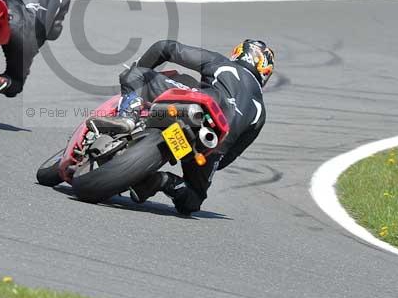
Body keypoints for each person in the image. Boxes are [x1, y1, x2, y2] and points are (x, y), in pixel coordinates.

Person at [107, 39, 275, 215]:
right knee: (192, 201)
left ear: (238, 53)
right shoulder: (260, 111)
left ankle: (127, 116)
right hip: (211, 147)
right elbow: (230, 156)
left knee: (137, 75)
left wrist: (143, 66)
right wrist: (208, 160)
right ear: (266, 72)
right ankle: (165, 181)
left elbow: (166, 47)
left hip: (196, 109)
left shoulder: (223, 65)